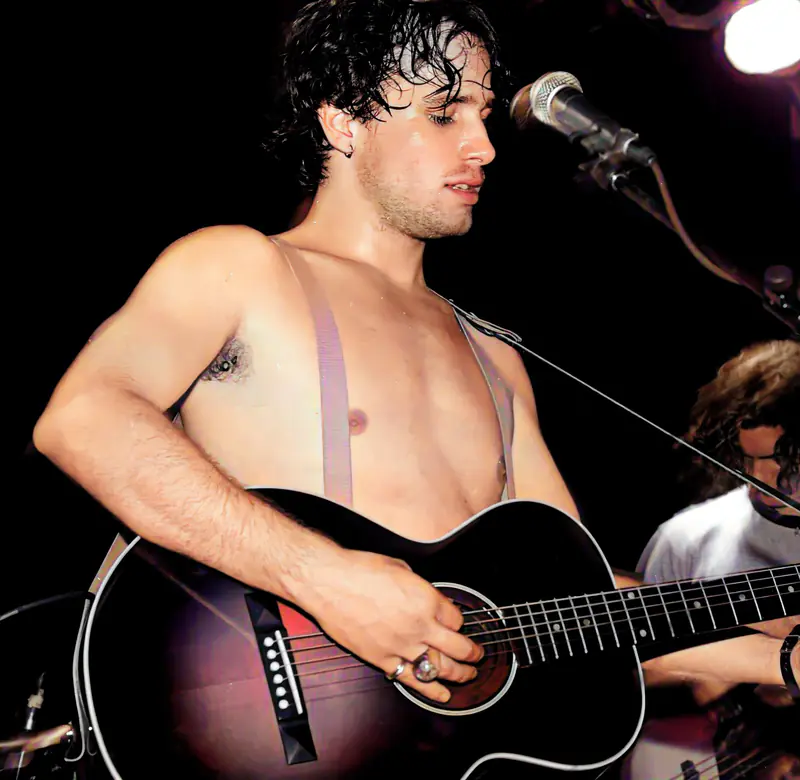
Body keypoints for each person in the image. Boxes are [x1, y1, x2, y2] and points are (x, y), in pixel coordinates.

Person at [31, 0, 796, 716]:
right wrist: (322, 579)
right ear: (343, 121)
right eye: (443, 112)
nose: (484, 147)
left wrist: (777, 659)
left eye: (482, 114)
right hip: (241, 716)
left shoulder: (496, 361)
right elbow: (84, 419)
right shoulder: (241, 267)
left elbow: (579, 603)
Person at [624, 340, 800, 780]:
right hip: (707, 760)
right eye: (748, 459)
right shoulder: (688, 537)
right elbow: (629, 670)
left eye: (781, 461)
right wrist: (730, 672)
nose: (761, 478)